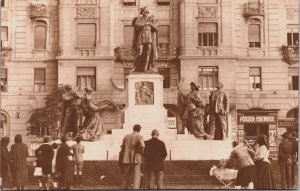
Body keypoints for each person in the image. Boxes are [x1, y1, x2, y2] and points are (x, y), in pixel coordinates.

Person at [132, 6, 158, 72]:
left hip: (149, 36)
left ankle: (146, 68)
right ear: (142, 12)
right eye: (144, 11)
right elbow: (136, 25)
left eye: (146, 11)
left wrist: (150, 24)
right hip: (141, 35)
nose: (145, 13)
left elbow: (156, 28)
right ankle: (134, 66)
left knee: (148, 52)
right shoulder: (139, 19)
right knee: (139, 53)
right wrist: (145, 24)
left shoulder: (151, 19)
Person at [121, 124, 145, 189]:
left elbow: (122, 147)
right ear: (139, 130)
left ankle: (124, 188)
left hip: (126, 159)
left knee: (126, 177)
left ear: (133, 129)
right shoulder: (139, 136)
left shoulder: (126, 136)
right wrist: (139, 152)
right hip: (136, 159)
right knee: (136, 177)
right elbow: (143, 146)